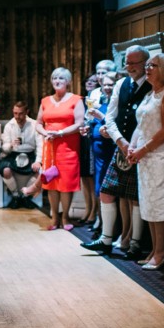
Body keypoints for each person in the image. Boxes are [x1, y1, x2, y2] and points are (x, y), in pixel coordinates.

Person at [81, 45, 152, 257]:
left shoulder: (152, 86)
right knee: (106, 191)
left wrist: (134, 145)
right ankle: (106, 239)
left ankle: (136, 243)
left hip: (142, 150)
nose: (129, 67)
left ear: (145, 63)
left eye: (133, 63)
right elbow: (110, 117)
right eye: (127, 63)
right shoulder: (121, 84)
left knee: (136, 197)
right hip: (121, 147)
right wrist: (120, 141)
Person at [127, 53, 164, 270]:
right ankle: (154, 250)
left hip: (161, 156)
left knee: (160, 204)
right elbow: (141, 126)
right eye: (147, 65)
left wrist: (143, 149)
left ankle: (162, 252)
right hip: (145, 156)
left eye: (153, 65)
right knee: (148, 204)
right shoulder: (150, 94)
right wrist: (132, 147)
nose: (148, 68)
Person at [35, 67, 84, 231]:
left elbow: (79, 123)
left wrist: (60, 133)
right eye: (54, 77)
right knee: (51, 182)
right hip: (50, 147)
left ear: (68, 82)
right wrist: (45, 133)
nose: (57, 81)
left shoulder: (76, 99)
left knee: (66, 182)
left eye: (61, 78)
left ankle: (65, 216)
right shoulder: (45, 101)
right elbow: (38, 123)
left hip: (68, 147)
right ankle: (54, 216)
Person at [84, 72, 117, 232]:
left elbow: (114, 124)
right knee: (98, 187)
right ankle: (100, 220)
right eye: (104, 85)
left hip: (110, 150)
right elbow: (94, 122)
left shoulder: (116, 103)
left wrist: (101, 117)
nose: (107, 87)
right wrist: (87, 128)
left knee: (107, 188)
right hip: (97, 152)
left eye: (110, 84)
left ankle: (109, 229)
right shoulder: (101, 101)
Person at [0, 101, 43, 209]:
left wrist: (38, 161)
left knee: (41, 172)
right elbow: (4, 147)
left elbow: (40, 145)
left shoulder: (34, 124)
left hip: (30, 155)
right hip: (13, 155)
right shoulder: (9, 125)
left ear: (26, 112)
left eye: (20, 113)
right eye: (15, 113)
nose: (17, 116)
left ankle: (25, 196)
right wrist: (10, 145)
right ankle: (15, 196)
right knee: (5, 170)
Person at [78, 73, 99, 225]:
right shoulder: (82, 100)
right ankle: (87, 208)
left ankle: (94, 211)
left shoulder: (97, 99)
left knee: (92, 178)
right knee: (84, 177)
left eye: (93, 81)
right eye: (88, 81)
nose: (89, 83)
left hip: (92, 139)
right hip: (82, 140)